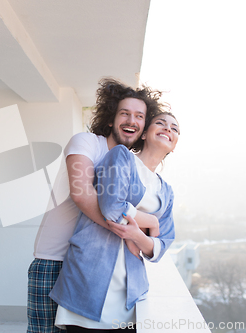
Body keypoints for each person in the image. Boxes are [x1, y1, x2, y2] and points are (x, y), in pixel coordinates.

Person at [27, 78, 165, 333]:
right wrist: (128, 234)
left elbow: (144, 218)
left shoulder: (129, 164)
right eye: (124, 113)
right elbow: (81, 194)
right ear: (111, 118)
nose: (131, 121)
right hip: (55, 260)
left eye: (139, 116)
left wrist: (139, 232)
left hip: (92, 268)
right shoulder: (87, 142)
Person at [50, 112, 179, 332]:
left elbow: (161, 246)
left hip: (130, 293)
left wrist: (136, 236)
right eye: (160, 123)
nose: (168, 129)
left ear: (174, 145)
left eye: (175, 129)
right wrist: (149, 222)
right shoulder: (121, 157)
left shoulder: (166, 191)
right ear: (145, 133)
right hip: (90, 280)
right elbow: (111, 206)